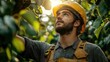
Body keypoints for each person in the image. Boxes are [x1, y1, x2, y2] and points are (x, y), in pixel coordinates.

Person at [17, 1, 108, 62]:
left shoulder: (92, 51)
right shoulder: (44, 50)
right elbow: (16, 40)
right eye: (58, 14)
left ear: (76, 23)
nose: (59, 17)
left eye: (65, 14)